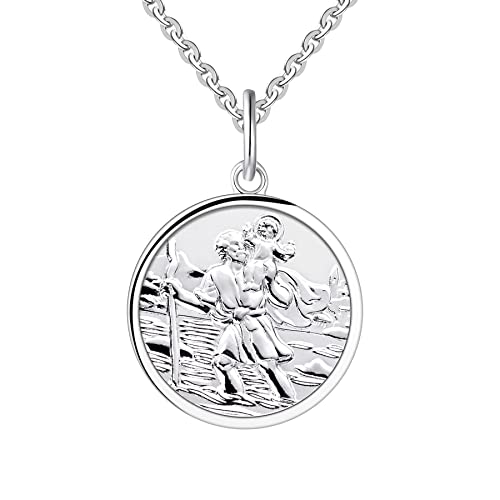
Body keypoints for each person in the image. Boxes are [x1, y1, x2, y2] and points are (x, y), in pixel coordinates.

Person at [165, 229, 296, 402]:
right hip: (235, 325)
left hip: (256, 324)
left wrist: (272, 281)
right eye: (237, 244)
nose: (243, 248)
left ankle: (287, 400)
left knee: (268, 365)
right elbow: (204, 305)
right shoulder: (215, 274)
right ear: (225, 249)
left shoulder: (257, 269)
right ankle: (235, 397)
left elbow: (284, 300)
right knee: (222, 362)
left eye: (244, 244)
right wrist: (179, 293)